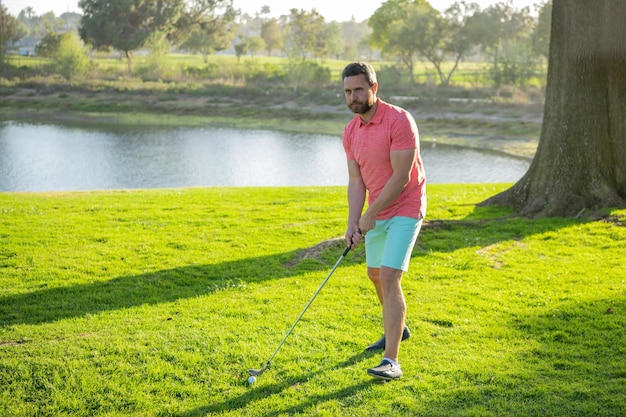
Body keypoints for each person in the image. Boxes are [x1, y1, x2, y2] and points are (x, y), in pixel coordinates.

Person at [341, 62, 426, 381]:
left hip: (406, 205)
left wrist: (370, 214)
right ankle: (398, 329)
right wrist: (353, 223)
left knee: (389, 277)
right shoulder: (350, 131)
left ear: (374, 88)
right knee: (374, 274)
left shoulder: (399, 120)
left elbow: (402, 177)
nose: (353, 97)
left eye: (359, 90)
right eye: (348, 91)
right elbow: (355, 180)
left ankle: (391, 361)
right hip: (377, 210)